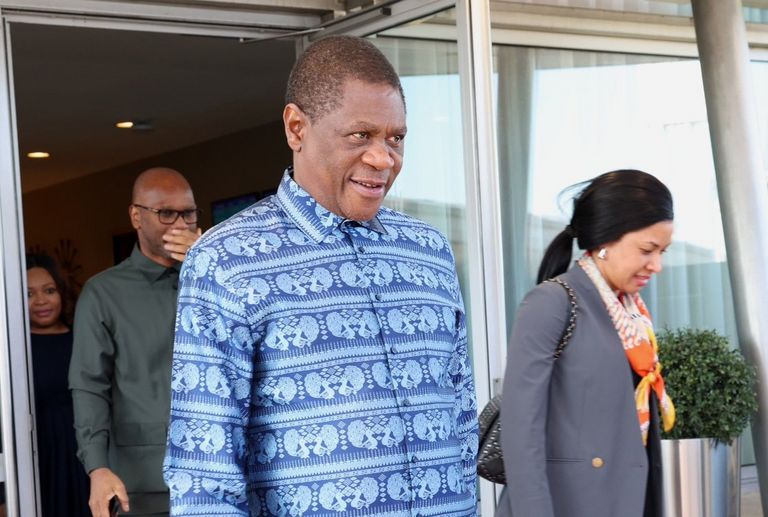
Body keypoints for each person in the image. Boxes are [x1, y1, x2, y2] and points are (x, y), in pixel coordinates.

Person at [163, 35, 478, 516]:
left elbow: (462, 423)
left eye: (395, 138)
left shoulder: (429, 252)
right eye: (360, 135)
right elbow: (204, 477)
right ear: (297, 128)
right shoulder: (227, 262)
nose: (383, 158)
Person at [497, 169, 676, 517]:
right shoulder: (552, 302)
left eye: (663, 251)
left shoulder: (631, 314)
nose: (657, 265)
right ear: (606, 240)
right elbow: (521, 432)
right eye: (647, 249)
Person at [69, 167, 201, 517]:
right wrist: (97, 467)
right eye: (166, 213)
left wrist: (207, 265)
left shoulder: (216, 278)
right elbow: (88, 385)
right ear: (136, 217)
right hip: (143, 481)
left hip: (224, 474)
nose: (180, 224)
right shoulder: (103, 293)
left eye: (188, 213)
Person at [26, 254, 90, 517]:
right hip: (36, 462)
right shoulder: (12, 352)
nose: (41, 301)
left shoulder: (84, 340)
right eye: (28, 294)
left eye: (49, 290)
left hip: (85, 456)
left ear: (62, 293)